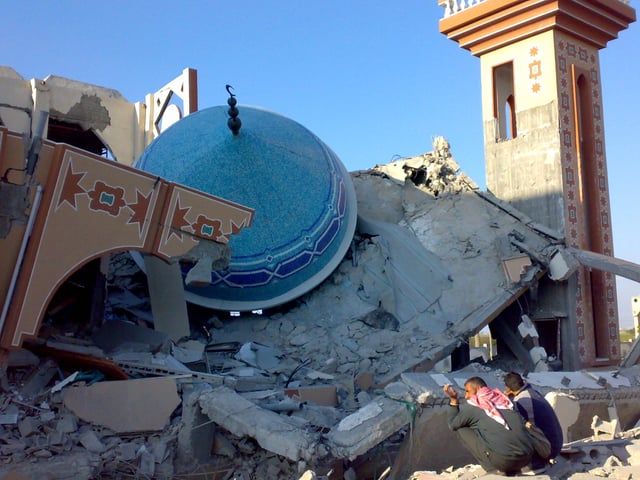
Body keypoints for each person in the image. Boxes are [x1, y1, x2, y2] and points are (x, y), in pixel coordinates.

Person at [443, 376, 533, 476]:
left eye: (467, 391)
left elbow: (452, 424)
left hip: (504, 462)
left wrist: (454, 400)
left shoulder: (474, 406)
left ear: (477, 389)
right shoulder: (505, 400)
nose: (466, 396)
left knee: (462, 427)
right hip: (527, 459)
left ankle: (491, 468)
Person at [503, 372, 563, 473]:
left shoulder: (522, 400)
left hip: (548, 448)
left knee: (513, 430)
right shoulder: (532, 392)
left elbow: (522, 428)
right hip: (556, 444)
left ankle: (535, 464)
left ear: (508, 389)